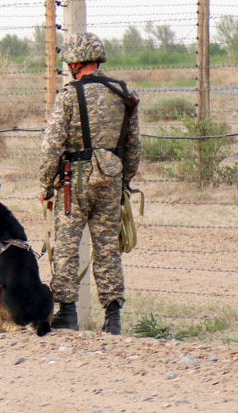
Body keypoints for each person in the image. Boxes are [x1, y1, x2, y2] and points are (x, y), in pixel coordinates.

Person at [38, 32, 141, 335]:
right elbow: (133, 146)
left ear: (74, 63)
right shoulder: (124, 94)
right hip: (112, 178)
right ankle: (113, 318)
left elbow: (52, 146)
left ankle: (67, 313)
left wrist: (45, 185)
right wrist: (124, 180)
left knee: (67, 245)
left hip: (75, 181)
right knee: (108, 246)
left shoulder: (69, 96)